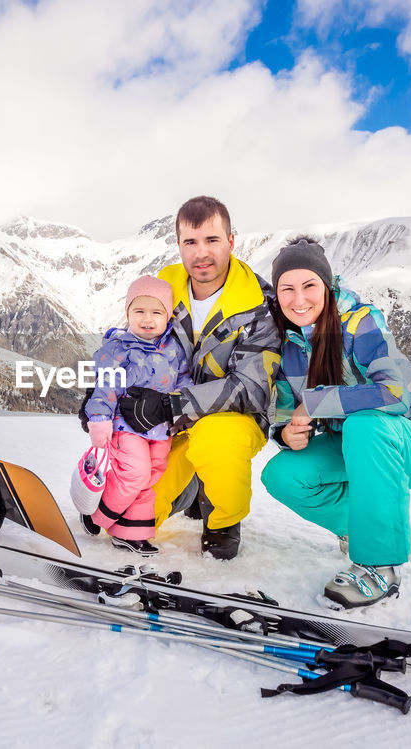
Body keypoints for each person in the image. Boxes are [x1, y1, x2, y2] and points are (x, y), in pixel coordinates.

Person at [259, 237, 411, 608]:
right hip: (353, 445)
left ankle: (380, 565)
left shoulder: (361, 322)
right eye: (288, 289)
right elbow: (286, 412)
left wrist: (314, 402)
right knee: (282, 475)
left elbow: (397, 393)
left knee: (367, 426)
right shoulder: (289, 344)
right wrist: (286, 434)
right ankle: (358, 528)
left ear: (328, 288)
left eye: (309, 286)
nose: (299, 299)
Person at [114, 196, 281, 560]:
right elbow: (130, 345)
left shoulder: (258, 302)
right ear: (179, 245)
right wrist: (104, 393)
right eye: (191, 242)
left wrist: (173, 404)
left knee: (214, 439)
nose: (201, 253)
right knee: (125, 514)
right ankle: (187, 490)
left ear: (232, 241)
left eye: (212, 240)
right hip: (171, 420)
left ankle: (222, 521)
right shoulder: (164, 287)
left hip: (230, 420)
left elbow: (251, 387)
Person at [82, 276, 193, 556]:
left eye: (156, 312)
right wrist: (99, 418)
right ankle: (98, 515)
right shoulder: (118, 349)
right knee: (135, 473)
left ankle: (130, 533)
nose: (147, 319)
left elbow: (184, 381)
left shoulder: (175, 350)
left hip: (159, 429)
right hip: (125, 427)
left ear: (167, 316)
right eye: (139, 311)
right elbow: (105, 386)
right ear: (127, 313)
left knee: (150, 478)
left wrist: (179, 409)